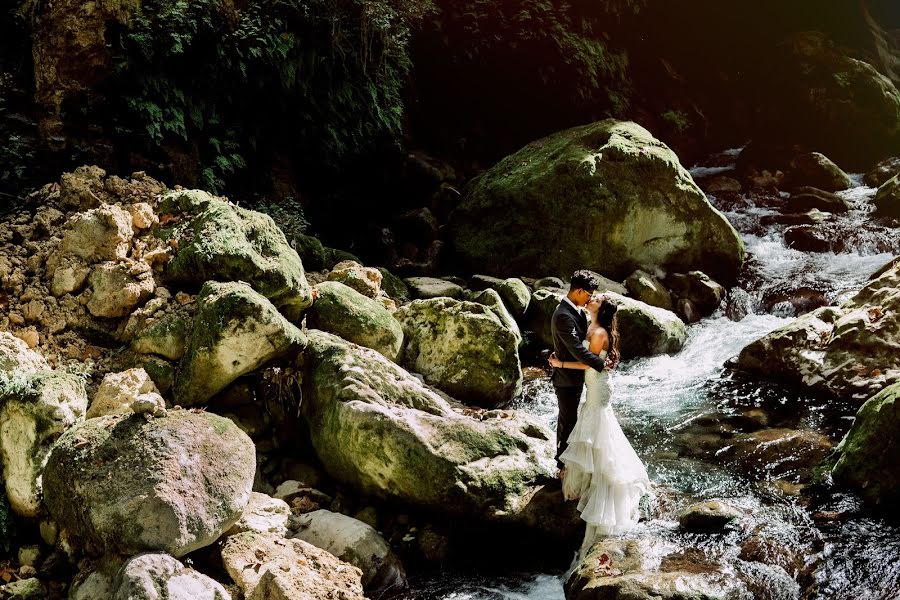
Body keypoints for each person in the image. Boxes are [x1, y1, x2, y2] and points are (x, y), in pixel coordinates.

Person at [549, 295, 650, 556]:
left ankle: (599, 479)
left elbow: (587, 362)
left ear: (601, 309)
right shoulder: (591, 324)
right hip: (595, 383)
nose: (593, 299)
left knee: (597, 427)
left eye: (598, 299)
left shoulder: (599, 332)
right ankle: (590, 475)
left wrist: (559, 363)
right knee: (594, 426)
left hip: (598, 385)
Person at [549, 271, 609, 471]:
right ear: (579, 291)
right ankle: (562, 465)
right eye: (589, 294)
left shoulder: (578, 312)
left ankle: (566, 462)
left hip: (578, 376)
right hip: (566, 380)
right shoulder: (563, 315)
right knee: (568, 422)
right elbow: (577, 349)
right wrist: (601, 363)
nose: (590, 298)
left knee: (571, 420)